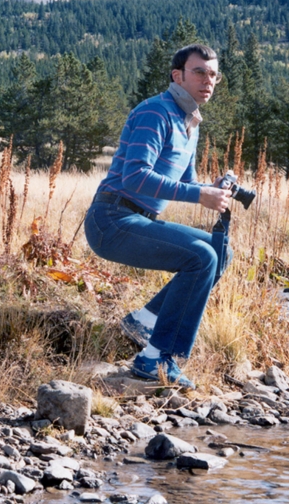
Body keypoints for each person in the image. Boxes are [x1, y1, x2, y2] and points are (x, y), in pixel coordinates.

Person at [84, 44, 232, 389]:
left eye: (213, 75)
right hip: (111, 220)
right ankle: (156, 359)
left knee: (220, 250)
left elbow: (186, 182)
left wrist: (212, 188)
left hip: (139, 219)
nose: (208, 80)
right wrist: (200, 195)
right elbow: (135, 177)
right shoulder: (156, 112)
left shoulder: (190, 120)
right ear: (177, 76)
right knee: (201, 257)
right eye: (199, 72)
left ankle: (146, 320)